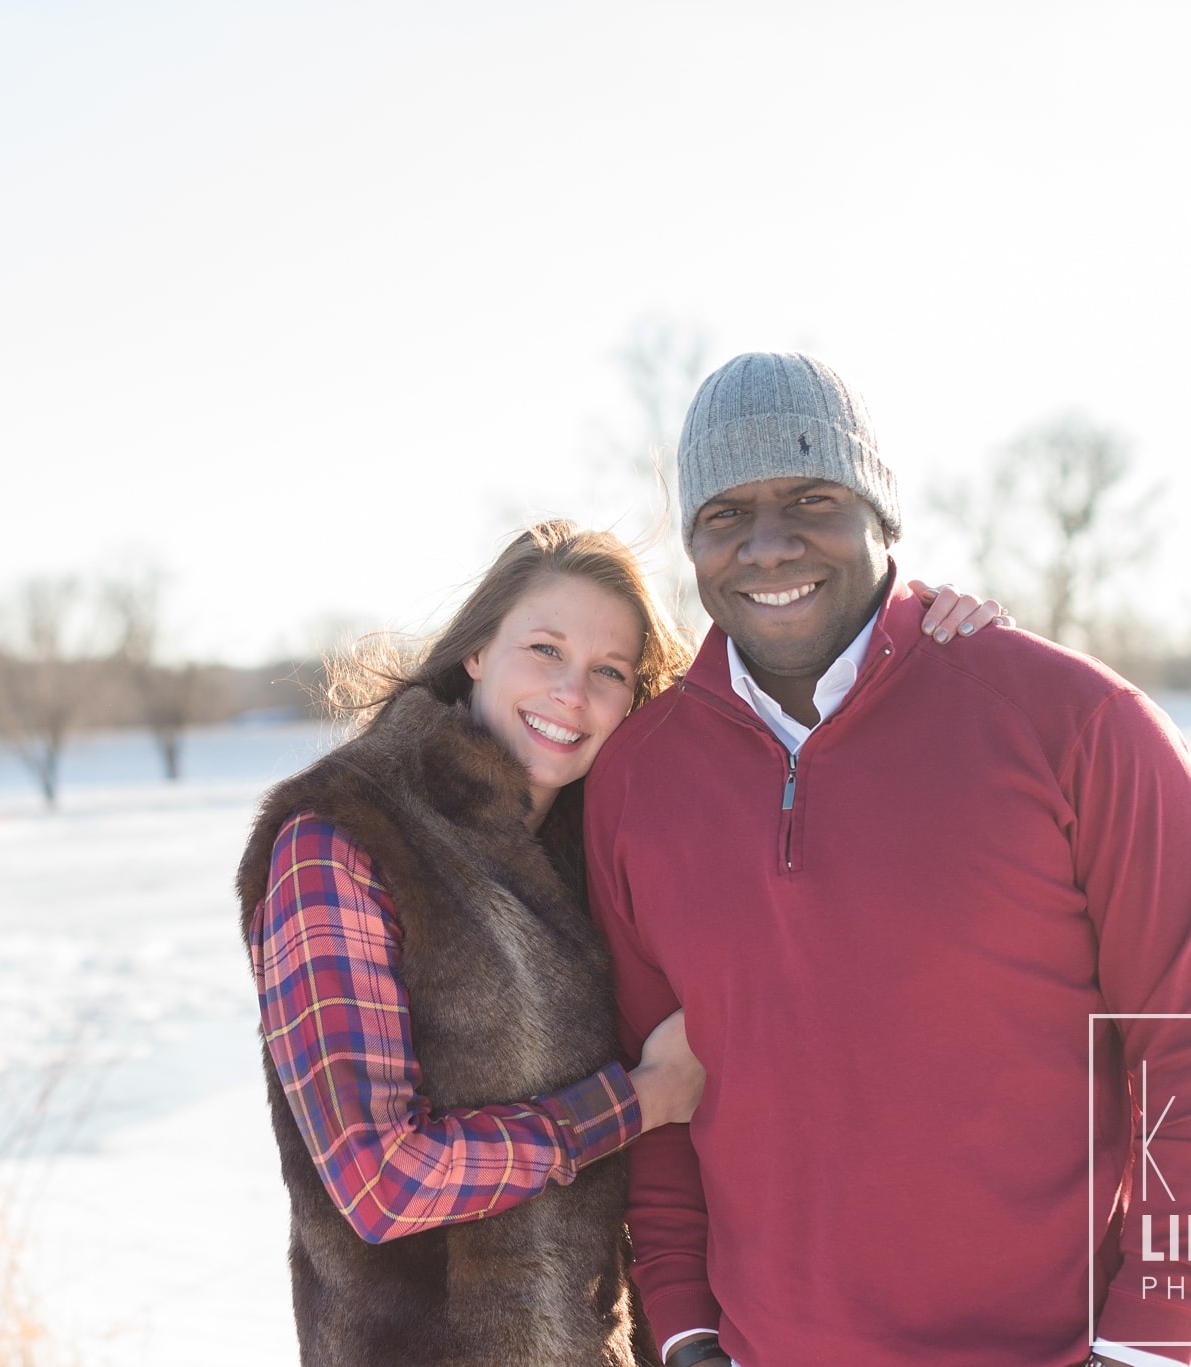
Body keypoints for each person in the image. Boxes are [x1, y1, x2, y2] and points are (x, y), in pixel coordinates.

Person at [585, 352, 1191, 1367]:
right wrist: (687, 1327)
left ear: (882, 516)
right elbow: (657, 1092)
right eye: (725, 514)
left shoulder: (1074, 723)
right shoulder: (637, 776)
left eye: (811, 498)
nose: (767, 544)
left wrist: (1143, 1343)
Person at [237, 520, 1005, 1365]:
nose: (573, 692)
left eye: (609, 672)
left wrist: (911, 637)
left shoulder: (607, 840)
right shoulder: (342, 839)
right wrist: (633, 1102)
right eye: (544, 649)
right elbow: (379, 1180)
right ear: (475, 652)